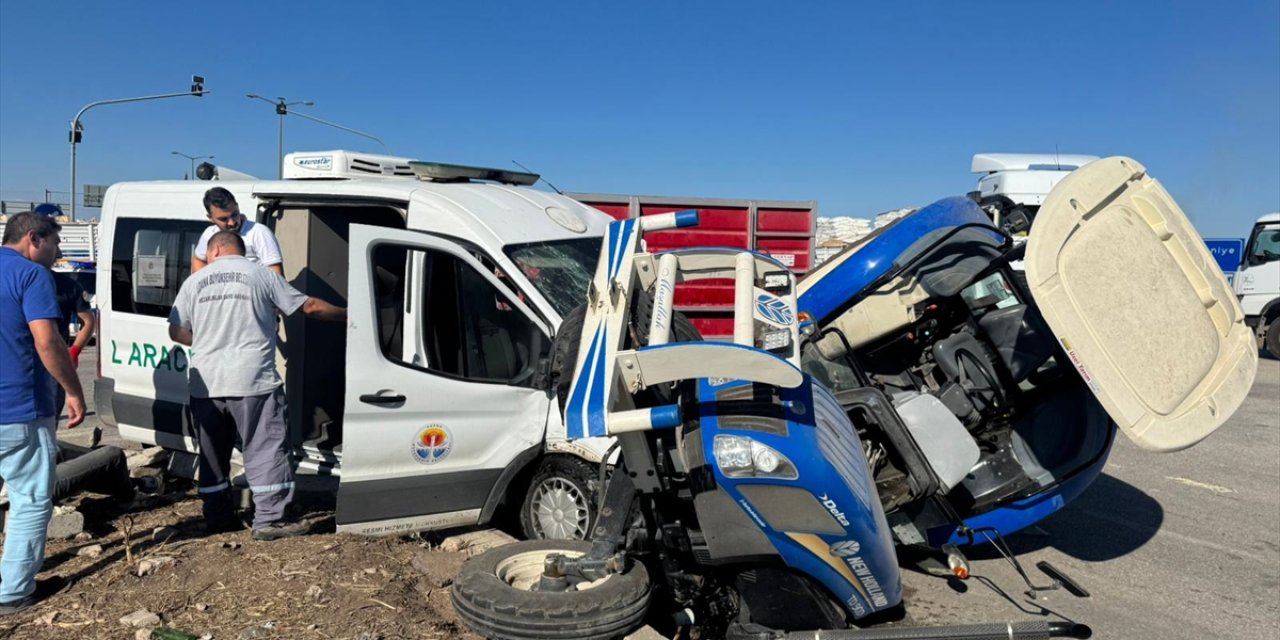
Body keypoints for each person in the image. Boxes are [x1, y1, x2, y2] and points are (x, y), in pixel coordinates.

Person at [168, 231, 345, 541]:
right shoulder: (260, 275)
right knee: (265, 449)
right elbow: (311, 307)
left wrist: (210, 343)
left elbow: (177, 330)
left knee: (212, 453)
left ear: (215, 250)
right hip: (252, 381)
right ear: (239, 249)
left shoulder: (194, 282)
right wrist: (351, 316)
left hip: (206, 384)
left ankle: (218, 517)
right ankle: (269, 520)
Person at [0, 213, 86, 615]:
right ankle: (15, 590)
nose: (58, 254)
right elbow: (47, 341)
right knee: (31, 499)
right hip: (18, 408)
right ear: (34, 238)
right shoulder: (32, 277)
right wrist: (73, 390)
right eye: (54, 244)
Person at [190, 187, 284, 275]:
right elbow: (198, 260)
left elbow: (276, 275)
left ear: (237, 206)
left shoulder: (259, 232)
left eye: (234, 214)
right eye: (223, 219)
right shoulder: (209, 234)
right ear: (210, 218)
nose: (232, 222)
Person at [50, 264, 95, 434]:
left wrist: (74, 351)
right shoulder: (14, 279)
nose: (58, 251)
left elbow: (88, 322)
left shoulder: (67, 285)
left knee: (49, 417)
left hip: (55, 362)